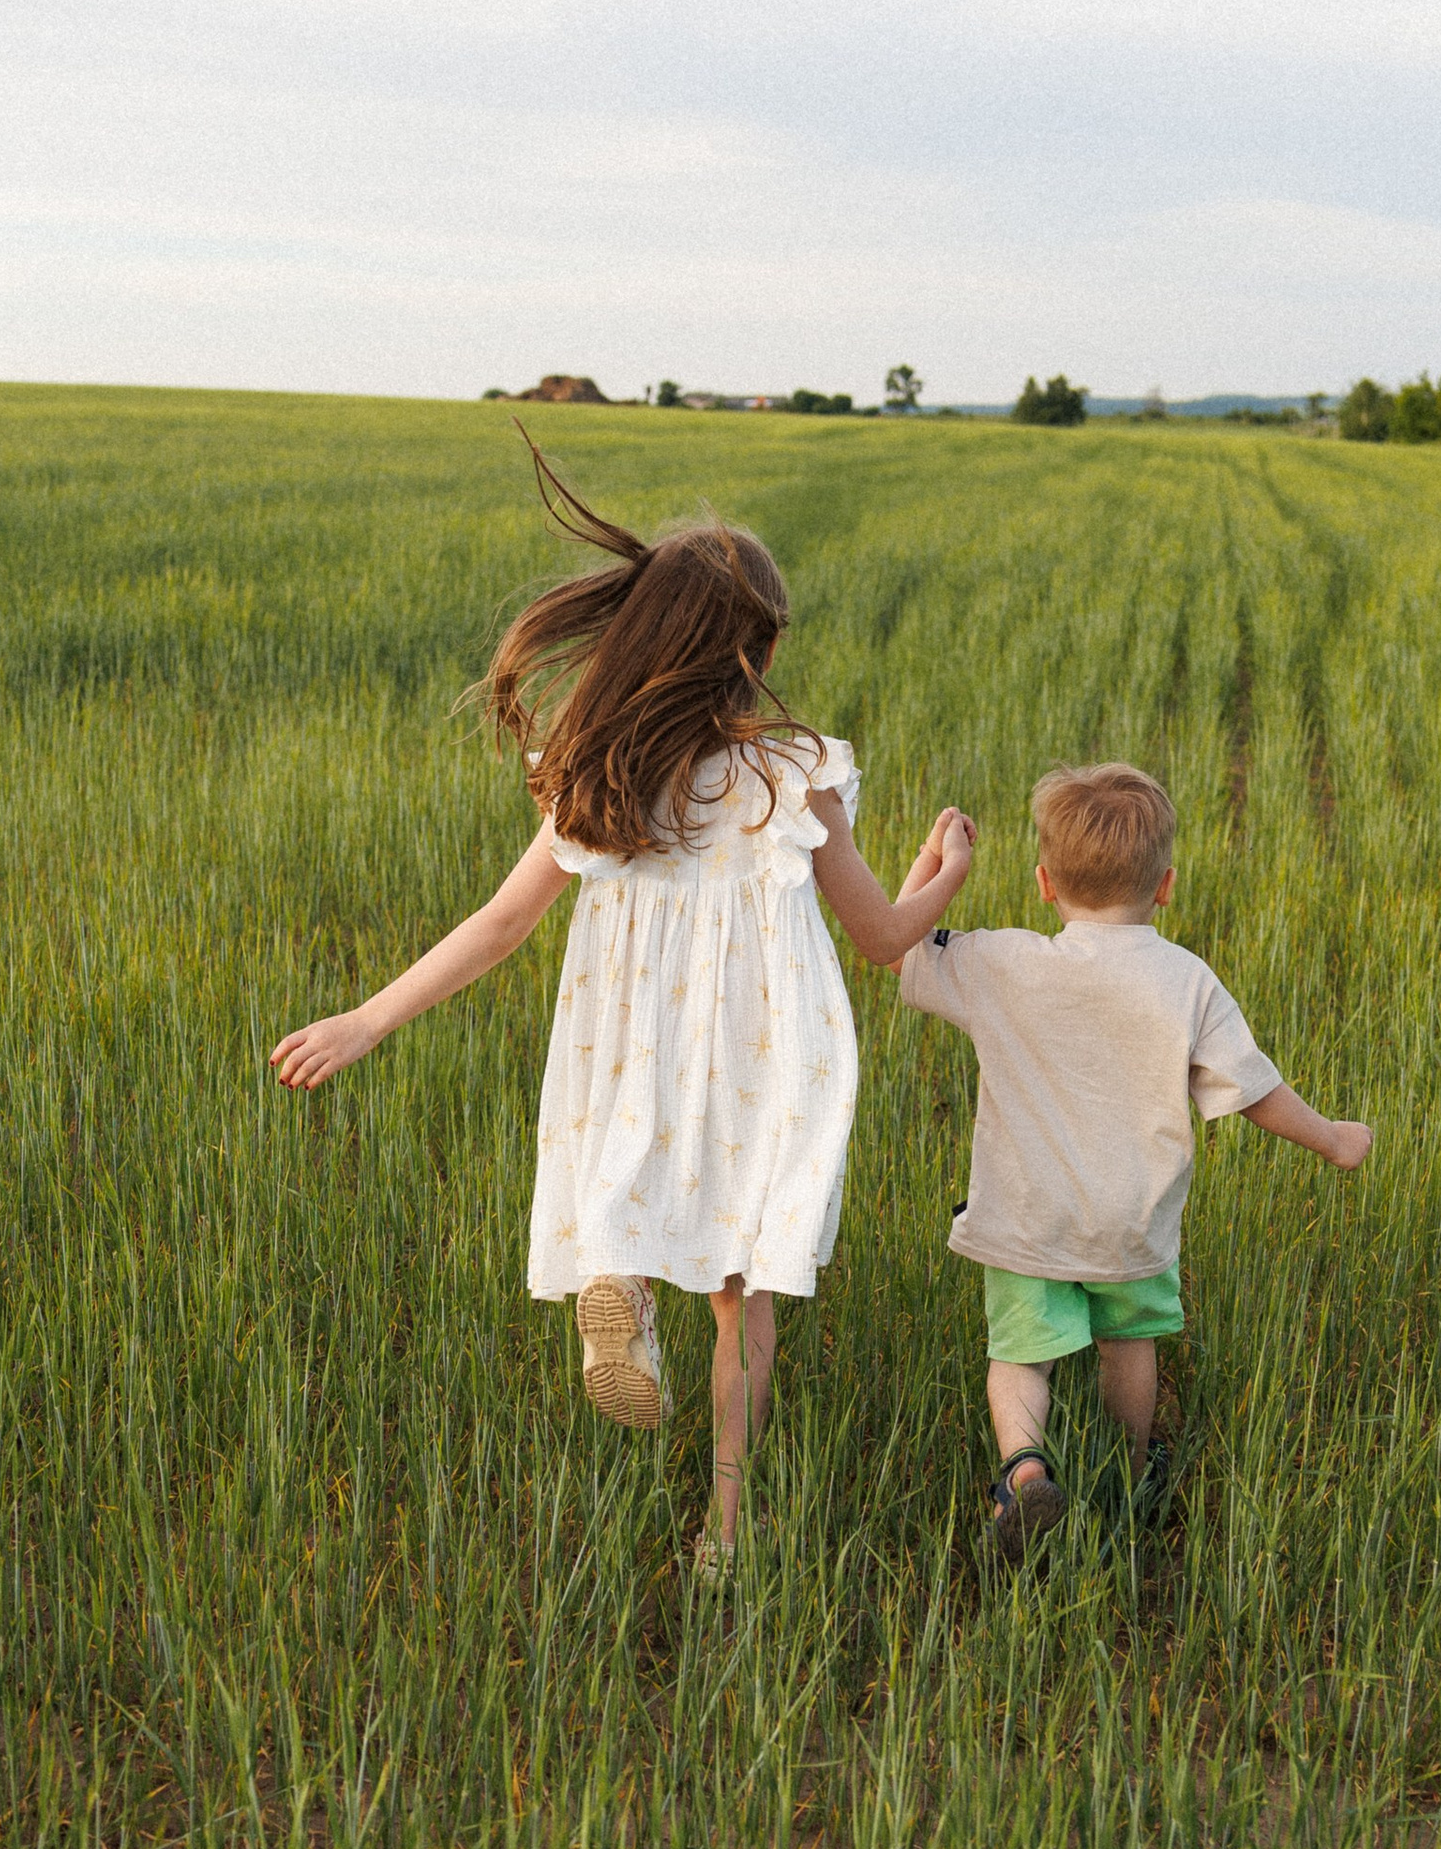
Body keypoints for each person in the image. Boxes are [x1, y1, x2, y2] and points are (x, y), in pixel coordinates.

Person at [271, 449, 979, 1575]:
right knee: (743, 1299)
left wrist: (365, 1019)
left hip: (628, 1049)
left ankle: (620, 1282)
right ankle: (726, 1532)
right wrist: (942, 866)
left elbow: (498, 925)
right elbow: (884, 939)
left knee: (631, 1192)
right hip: (762, 1050)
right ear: (758, 651)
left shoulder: (596, 771)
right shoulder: (793, 776)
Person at [896, 762, 1371, 1561]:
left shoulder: (1004, 962)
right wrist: (1330, 1136)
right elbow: (1253, 1090)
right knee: (1130, 1345)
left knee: (1019, 1355)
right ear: (1168, 884)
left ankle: (1023, 1469)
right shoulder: (1185, 980)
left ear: (1045, 883)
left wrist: (937, 859)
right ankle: (1130, 1470)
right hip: (1132, 1216)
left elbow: (898, 942)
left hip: (1025, 1211)